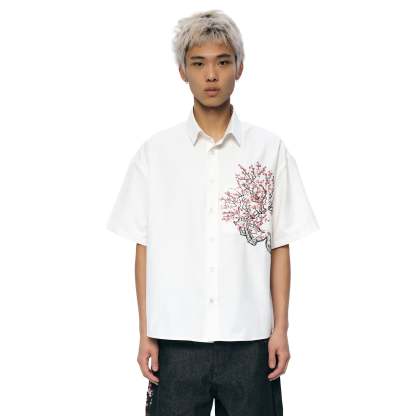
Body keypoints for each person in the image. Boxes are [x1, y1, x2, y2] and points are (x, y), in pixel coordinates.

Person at [106, 9, 319, 416]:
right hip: (176, 339)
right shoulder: (156, 154)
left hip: (251, 339)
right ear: (182, 71)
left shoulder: (268, 150)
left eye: (222, 62)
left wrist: (281, 329)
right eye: (198, 63)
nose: (211, 75)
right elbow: (144, 247)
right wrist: (145, 331)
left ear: (240, 67)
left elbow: (280, 245)